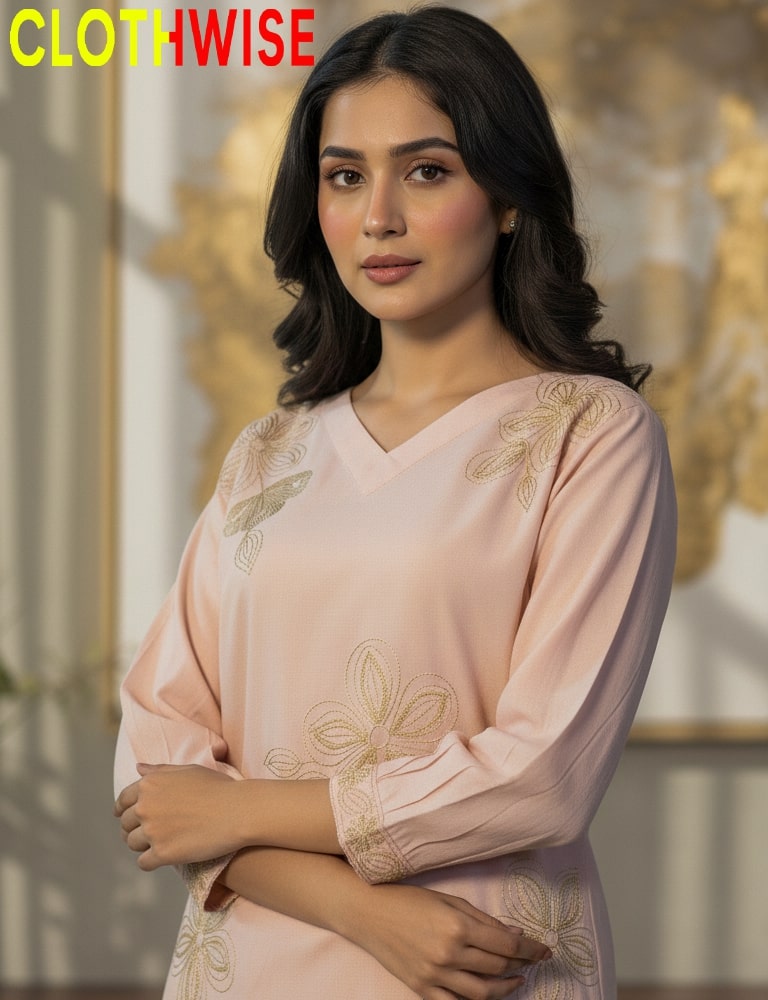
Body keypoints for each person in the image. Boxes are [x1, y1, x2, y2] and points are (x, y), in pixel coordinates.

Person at [114, 7, 677, 1000]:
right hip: (258, 961)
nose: (378, 216)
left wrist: (238, 812)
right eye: (344, 176)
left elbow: (541, 774)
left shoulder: (593, 434)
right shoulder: (267, 451)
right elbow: (159, 781)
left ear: (507, 196)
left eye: (426, 170)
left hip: (474, 962)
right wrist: (362, 910)